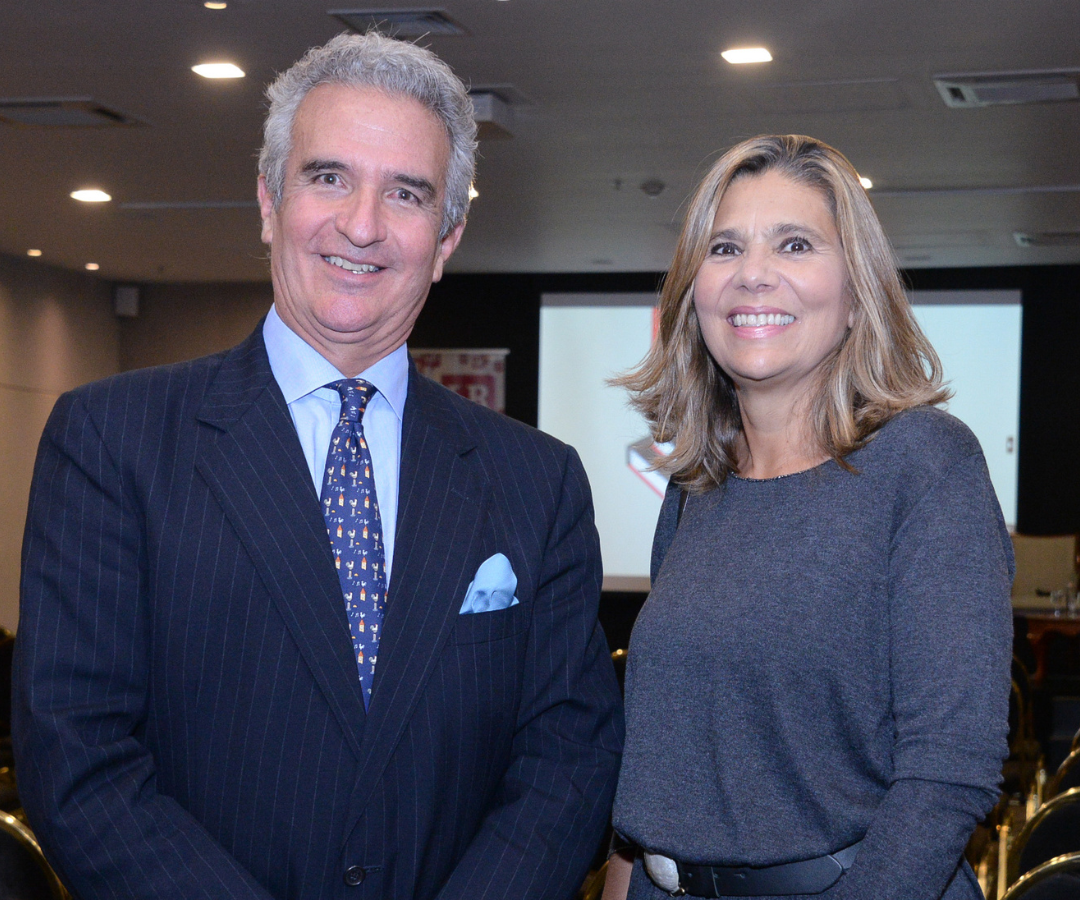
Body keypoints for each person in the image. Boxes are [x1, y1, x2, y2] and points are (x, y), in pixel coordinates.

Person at [13, 32, 622, 900]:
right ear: (268, 203)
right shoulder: (112, 442)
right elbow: (78, 756)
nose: (362, 224)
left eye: (405, 193)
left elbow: (568, 755)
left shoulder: (539, 480)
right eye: (328, 176)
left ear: (445, 239)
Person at [603, 135, 1012, 900]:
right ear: (696, 292)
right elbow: (656, 778)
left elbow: (947, 773)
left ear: (858, 294)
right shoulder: (698, 483)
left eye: (794, 244)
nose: (753, 273)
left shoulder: (926, 464)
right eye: (724, 248)